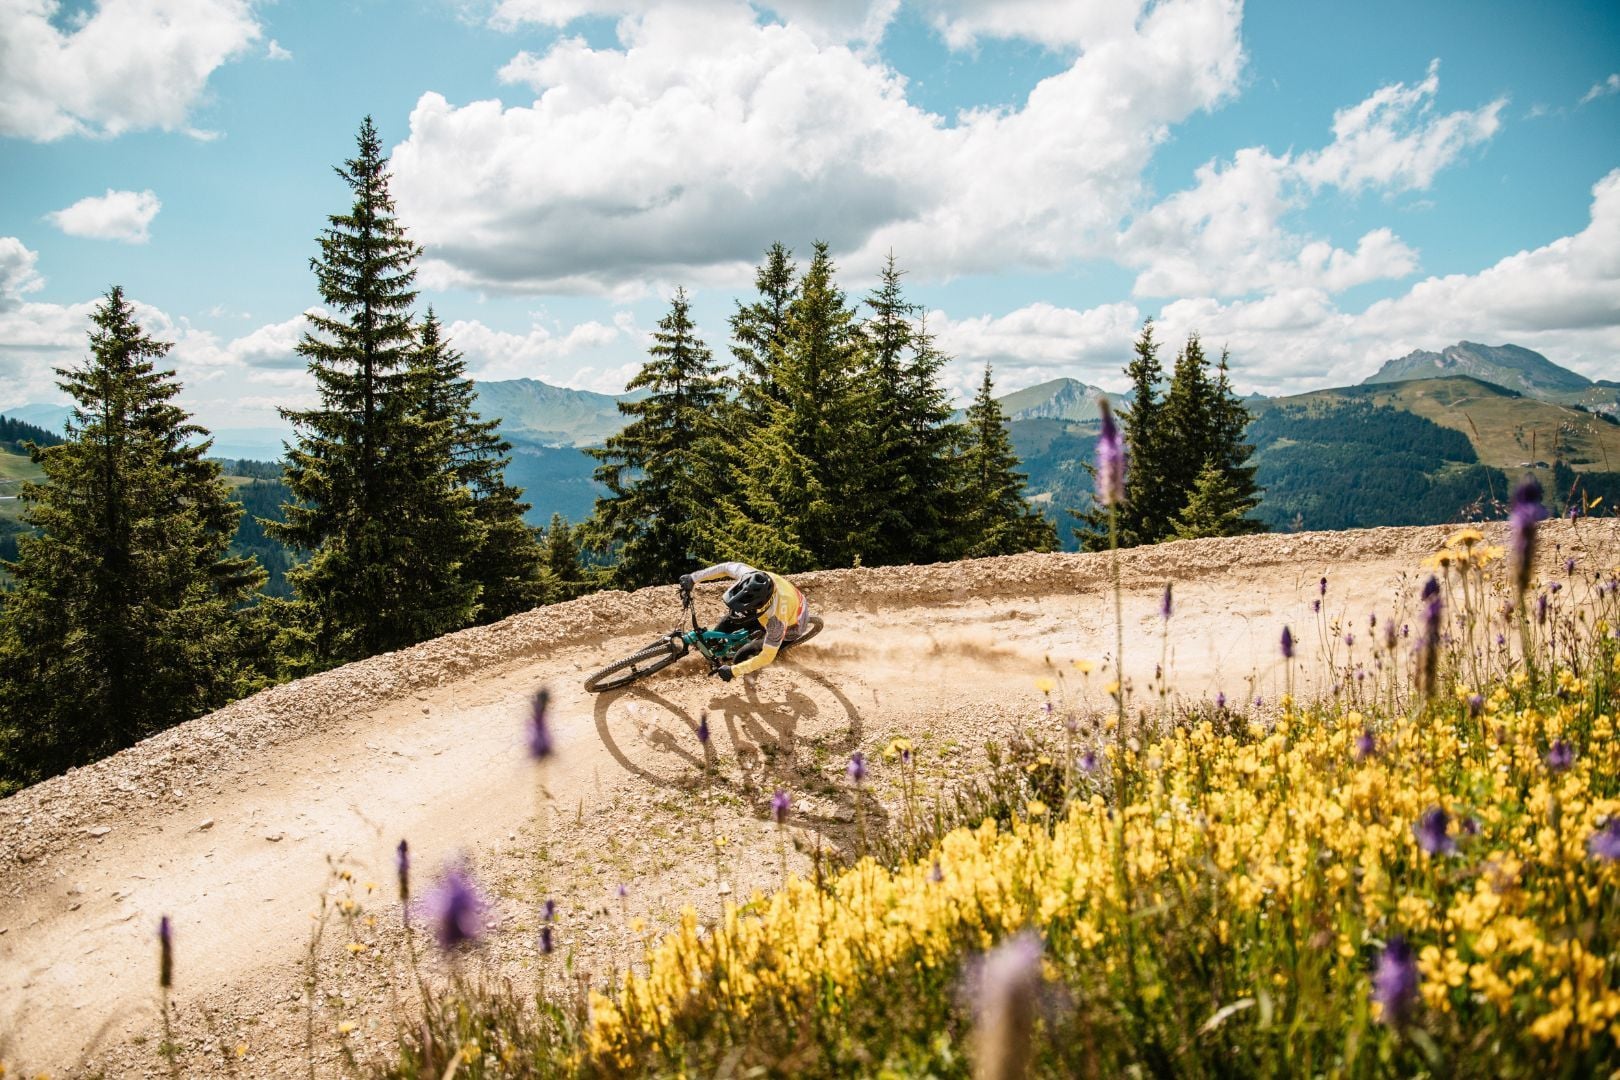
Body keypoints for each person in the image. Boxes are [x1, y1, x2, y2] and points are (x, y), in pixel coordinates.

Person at [678, 562, 812, 682]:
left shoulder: (776, 622)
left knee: (741, 657)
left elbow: (767, 657)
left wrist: (733, 671)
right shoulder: (751, 576)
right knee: (726, 624)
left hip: (794, 623)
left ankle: (751, 666)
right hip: (776, 602)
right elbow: (725, 567)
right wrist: (693, 578)